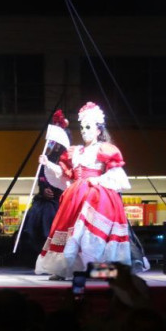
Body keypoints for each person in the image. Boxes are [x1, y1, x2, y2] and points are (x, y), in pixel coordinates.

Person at [35, 102, 133, 281]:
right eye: (82, 127)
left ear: (98, 130)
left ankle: (100, 270)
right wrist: (48, 163)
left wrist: (97, 180)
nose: (84, 130)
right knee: (70, 232)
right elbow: (67, 175)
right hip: (75, 197)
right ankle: (66, 269)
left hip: (97, 196)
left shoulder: (105, 149)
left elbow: (116, 174)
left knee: (88, 234)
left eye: (88, 127)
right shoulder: (76, 152)